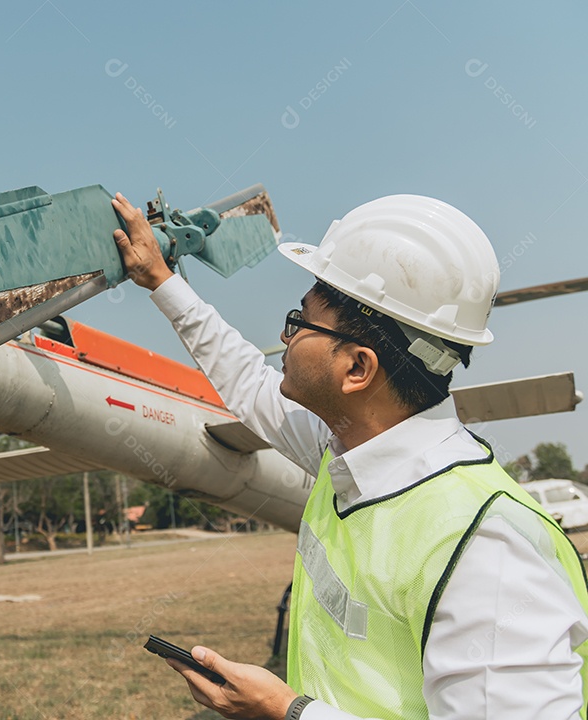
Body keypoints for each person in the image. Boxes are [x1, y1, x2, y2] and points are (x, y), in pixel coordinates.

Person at [111, 191, 588, 720]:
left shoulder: (484, 549)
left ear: (357, 369)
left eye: (300, 321)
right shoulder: (347, 453)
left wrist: (287, 710)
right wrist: (162, 281)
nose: (282, 336)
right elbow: (246, 381)